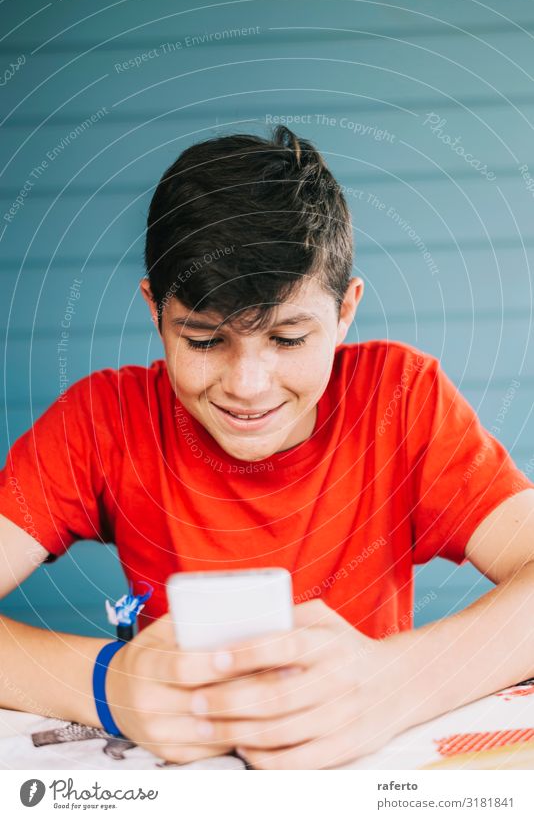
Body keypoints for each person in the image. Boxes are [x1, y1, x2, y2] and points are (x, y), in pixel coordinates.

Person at [1, 125, 533, 770]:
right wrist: (106, 683)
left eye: (287, 339)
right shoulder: (101, 422)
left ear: (344, 313)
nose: (248, 388)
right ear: (154, 309)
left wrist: (396, 682)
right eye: (203, 341)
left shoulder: (401, 400)